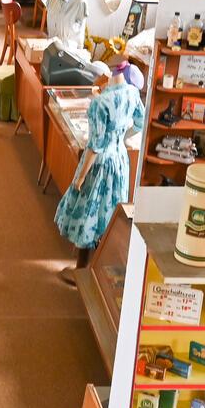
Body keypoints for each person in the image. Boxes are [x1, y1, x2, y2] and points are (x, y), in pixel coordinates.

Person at [53, 65, 145, 287]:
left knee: (88, 211)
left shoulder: (100, 104)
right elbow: (141, 123)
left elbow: (95, 146)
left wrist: (80, 177)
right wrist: (121, 138)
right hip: (120, 161)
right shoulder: (132, 94)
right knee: (109, 211)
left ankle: (83, 269)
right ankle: (99, 266)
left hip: (100, 164)